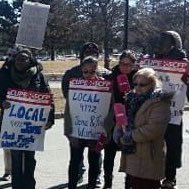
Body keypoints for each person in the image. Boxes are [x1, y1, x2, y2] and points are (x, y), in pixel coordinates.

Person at [0, 48, 55, 189]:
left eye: (24, 59)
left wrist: (50, 118)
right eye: (18, 58)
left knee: (30, 157)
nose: (20, 61)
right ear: (14, 60)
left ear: (30, 61)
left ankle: (29, 185)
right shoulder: (5, 74)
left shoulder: (38, 76)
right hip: (12, 124)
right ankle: (17, 185)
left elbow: (48, 97)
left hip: (32, 125)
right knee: (16, 158)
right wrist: (2, 102)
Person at [114, 68, 173, 189]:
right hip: (131, 156)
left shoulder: (160, 102)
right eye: (135, 84)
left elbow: (153, 129)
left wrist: (129, 136)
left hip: (148, 157)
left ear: (152, 84)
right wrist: (118, 131)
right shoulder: (130, 99)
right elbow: (123, 120)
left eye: (142, 84)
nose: (138, 87)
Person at [62, 42, 110, 184]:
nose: (90, 53)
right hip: (78, 125)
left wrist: (107, 130)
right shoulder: (71, 74)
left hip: (96, 129)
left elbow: (109, 105)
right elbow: (68, 100)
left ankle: (94, 180)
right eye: (87, 51)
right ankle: (76, 178)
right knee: (75, 159)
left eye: (94, 51)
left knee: (95, 158)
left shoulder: (107, 76)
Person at [155, 31, 188, 189]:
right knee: (154, 144)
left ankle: (170, 177)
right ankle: (153, 174)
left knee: (172, 145)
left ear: (173, 43)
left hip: (174, 113)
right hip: (155, 112)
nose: (160, 43)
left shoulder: (184, 63)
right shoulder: (154, 61)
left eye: (164, 41)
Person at [103, 50, 137, 189]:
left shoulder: (139, 79)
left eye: (129, 65)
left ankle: (128, 184)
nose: (125, 67)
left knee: (129, 155)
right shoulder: (111, 77)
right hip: (112, 121)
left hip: (131, 122)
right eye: (123, 64)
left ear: (134, 65)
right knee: (109, 154)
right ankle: (108, 183)